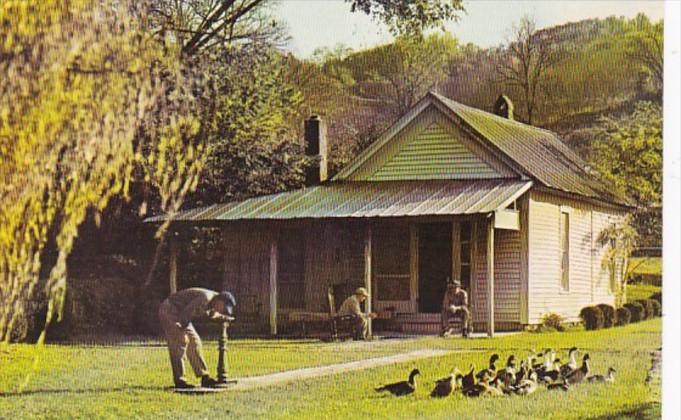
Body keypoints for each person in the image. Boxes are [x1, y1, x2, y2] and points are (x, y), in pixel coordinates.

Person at [158, 287, 236, 388]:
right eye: (224, 308)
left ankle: (204, 377)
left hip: (181, 313)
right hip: (170, 310)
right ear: (220, 301)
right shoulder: (205, 298)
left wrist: (224, 318)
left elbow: (210, 313)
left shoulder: (213, 300)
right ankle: (180, 381)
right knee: (180, 341)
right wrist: (182, 330)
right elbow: (187, 313)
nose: (223, 310)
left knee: (195, 342)